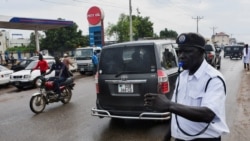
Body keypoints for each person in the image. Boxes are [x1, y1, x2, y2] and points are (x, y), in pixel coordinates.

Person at [144, 32, 229, 141]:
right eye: (180, 51)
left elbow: (208, 114)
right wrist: (167, 136)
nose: (181, 56)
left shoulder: (213, 79)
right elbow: (177, 111)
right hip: (180, 138)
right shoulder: (182, 77)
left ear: (201, 53)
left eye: (188, 51)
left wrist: (168, 105)